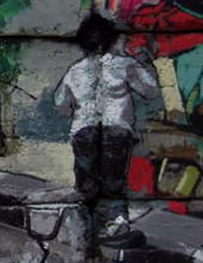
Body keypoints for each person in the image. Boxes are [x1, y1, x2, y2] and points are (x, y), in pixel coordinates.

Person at [55, 13, 159, 224]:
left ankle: (87, 224)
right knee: (113, 183)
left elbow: (61, 105)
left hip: (84, 131)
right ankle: (116, 224)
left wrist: (77, 109)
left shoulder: (75, 71)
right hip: (116, 131)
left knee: (87, 185)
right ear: (111, 40)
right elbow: (150, 91)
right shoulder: (125, 64)